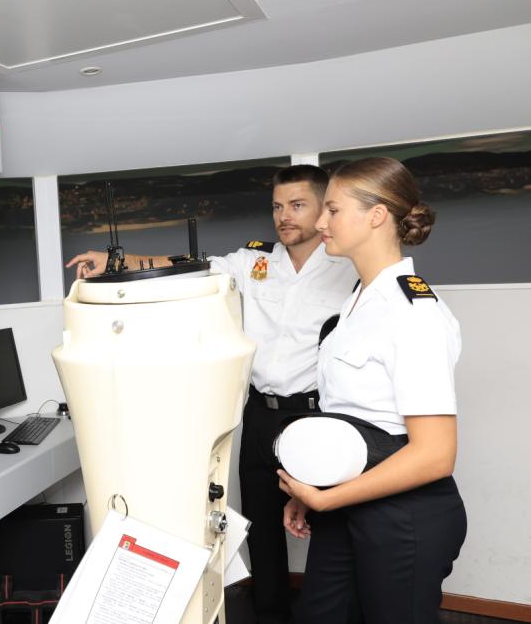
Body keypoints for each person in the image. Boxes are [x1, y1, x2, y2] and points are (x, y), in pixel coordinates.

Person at [67, 165, 358, 624]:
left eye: (297, 205)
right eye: (278, 206)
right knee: (262, 530)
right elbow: (189, 267)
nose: (284, 216)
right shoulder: (257, 260)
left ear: (325, 209)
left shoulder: (349, 269)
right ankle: (272, 616)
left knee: (330, 529)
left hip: (317, 416)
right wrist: (115, 263)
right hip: (260, 414)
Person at [278, 157, 467, 624]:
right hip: (349, 502)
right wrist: (314, 488)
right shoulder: (356, 304)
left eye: (333, 210)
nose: (320, 223)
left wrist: (326, 498)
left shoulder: (412, 311)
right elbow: (351, 418)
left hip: (404, 517)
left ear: (377, 215)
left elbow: (435, 455)